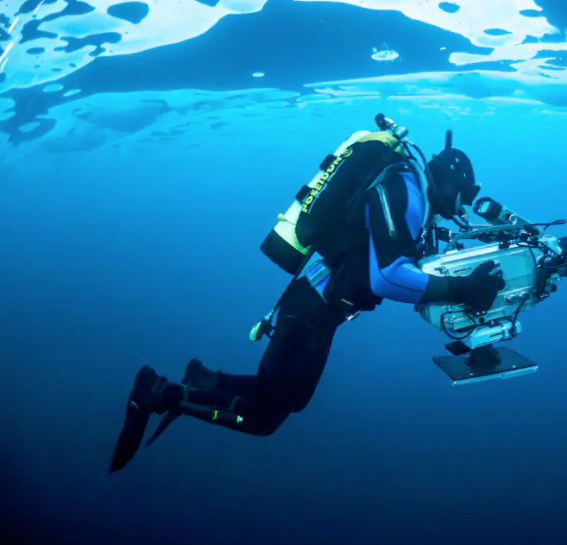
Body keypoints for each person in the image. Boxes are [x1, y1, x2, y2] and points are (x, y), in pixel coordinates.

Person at [109, 131, 506, 473]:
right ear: (452, 181)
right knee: (266, 416)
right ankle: (160, 394)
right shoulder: (404, 186)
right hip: (312, 310)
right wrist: (462, 290)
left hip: (313, 306)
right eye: (465, 195)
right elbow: (387, 277)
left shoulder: (408, 190)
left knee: (277, 397)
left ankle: (204, 379)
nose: (462, 206)